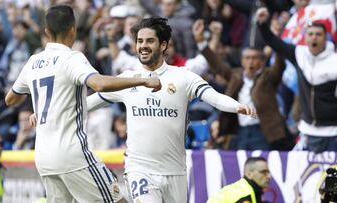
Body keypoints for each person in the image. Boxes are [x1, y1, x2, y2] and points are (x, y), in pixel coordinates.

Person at [87, 17, 256, 203]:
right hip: (140, 169)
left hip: (175, 171)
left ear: (163, 45)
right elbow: (89, 103)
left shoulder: (183, 77)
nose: (143, 46)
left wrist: (236, 106)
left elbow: (214, 97)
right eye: (140, 41)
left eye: (150, 41)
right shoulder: (127, 79)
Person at [5, 5, 161, 203]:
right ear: (73, 29)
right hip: (72, 153)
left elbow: (10, 99)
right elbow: (99, 84)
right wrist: (142, 80)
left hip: (43, 157)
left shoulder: (33, 62)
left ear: (46, 32)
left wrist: (42, 107)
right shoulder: (71, 58)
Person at [193, 19, 294, 150]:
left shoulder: (268, 76)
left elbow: (280, 65)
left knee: (260, 164)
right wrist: (201, 41)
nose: (251, 62)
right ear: (242, 61)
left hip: (263, 132)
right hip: (240, 131)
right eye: (247, 58)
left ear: (262, 62)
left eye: (254, 58)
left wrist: (275, 38)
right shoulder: (236, 75)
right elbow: (216, 64)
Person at [256, 7, 337, 153]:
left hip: (333, 132)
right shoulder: (299, 54)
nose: (314, 37)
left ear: (325, 38)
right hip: (308, 131)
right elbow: (274, 42)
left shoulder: (335, 61)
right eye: (310, 34)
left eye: (318, 34)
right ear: (305, 38)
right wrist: (262, 24)